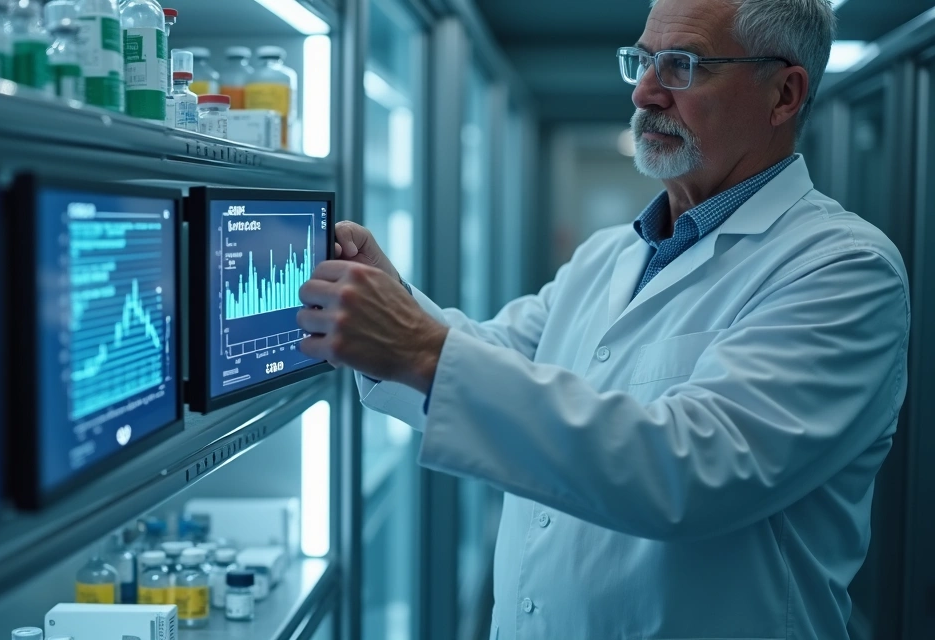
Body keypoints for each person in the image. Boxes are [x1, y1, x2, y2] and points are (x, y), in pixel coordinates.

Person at [296, 0, 911, 638]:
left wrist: (421, 349)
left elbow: (690, 472)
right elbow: (498, 355)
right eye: (643, 61)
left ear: (784, 93)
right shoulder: (610, 254)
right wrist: (386, 292)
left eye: (683, 66)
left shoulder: (842, 269)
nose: (646, 91)